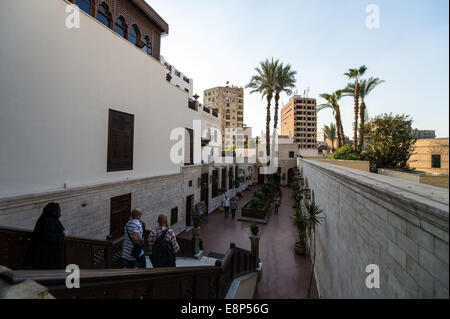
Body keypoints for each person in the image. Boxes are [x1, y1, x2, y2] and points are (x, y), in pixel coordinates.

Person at [26, 202, 67, 270]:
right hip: (47, 255)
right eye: (59, 209)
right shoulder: (48, 221)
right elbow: (49, 237)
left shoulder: (46, 219)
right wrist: (62, 235)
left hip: (45, 253)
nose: (60, 211)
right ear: (54, 211)